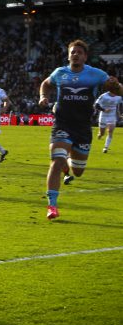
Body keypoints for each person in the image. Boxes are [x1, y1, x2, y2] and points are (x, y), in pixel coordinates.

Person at [39, 39, 122, 218]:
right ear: (68, 55)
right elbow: (46, 84)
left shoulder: (96, 74)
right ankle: (51, 206)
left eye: (79, 52)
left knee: (78, 171)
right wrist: (43, 96)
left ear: (85, 57)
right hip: (62, 124)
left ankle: (68, 158)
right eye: (72, 52)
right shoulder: (60, 73)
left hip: (83, 128)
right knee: (56, 161)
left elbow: (118, 89)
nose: (75, 55)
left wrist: (117, 85)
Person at [94, 86, 121, 153]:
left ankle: (105, 147)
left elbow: (117, 106)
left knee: (110, 131)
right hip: (103, 115)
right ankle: (100, 134)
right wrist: (104, 110)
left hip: (112, 116)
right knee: (102, 133)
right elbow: (96, 105)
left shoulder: (119, 97)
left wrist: (119, 114)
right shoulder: (104, 96)